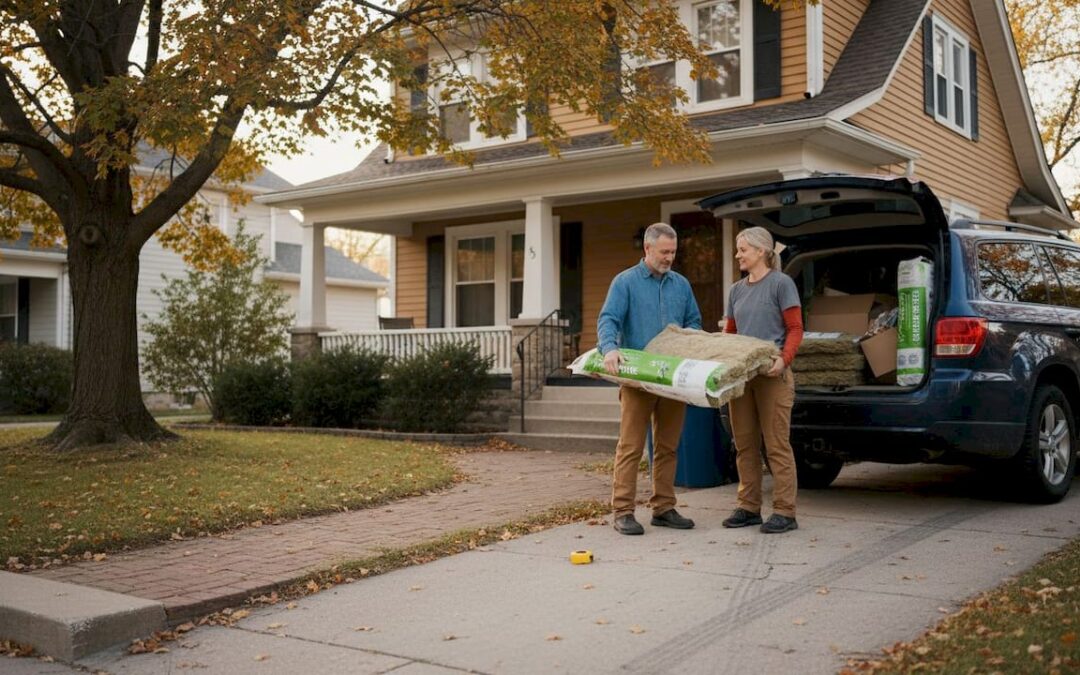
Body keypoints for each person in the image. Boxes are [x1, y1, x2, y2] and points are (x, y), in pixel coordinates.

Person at [597, 222, 702, 535]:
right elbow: (608, 319)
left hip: (671, 379)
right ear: (647, 249)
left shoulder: (681, 284)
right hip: (637, 379)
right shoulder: (625, 282)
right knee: (630, 446)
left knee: (668, 446)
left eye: (673, 252)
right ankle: (623, 512)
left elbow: (693, 321)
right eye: (664, 252)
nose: (669, 257)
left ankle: (664, 507)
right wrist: (610, 349)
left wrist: (692, 340)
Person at [721, 226, 804, 534]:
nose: (738, 254)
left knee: (776, 444)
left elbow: (795, 328)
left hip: (773, 376)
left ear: (760, 251)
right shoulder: (736, 290)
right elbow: (730, 333)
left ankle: (785, 511)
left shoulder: (781, 284)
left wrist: (783, 360)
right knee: (743, 443)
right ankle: (748, 506)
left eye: (742, 249)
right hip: (743, 377)